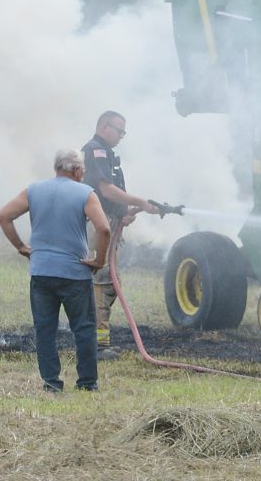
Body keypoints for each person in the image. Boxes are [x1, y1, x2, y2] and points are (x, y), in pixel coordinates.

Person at [0, 148, 111, 393]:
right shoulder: (86, 193)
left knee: (45, 330)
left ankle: (51, 384)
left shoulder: (34, 190)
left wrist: (21, 247)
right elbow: (104, 229)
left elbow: (3, 216)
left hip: (42, 272)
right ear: (78, 171)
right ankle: (87, 384)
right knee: (84, 329)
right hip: (75, 273)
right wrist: (99, 261)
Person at [82, 110, 157, 358]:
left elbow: (111, 197)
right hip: (98, 226)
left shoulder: (109, 155)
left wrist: (124, 212)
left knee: (110, 284)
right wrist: (140, 201)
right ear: (104, 126)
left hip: (109, 223)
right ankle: (98, 345)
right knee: (102, 283)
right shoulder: (96, 151)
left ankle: (98, 341)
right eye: (119, 130)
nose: (121, 136)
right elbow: (105, 189)